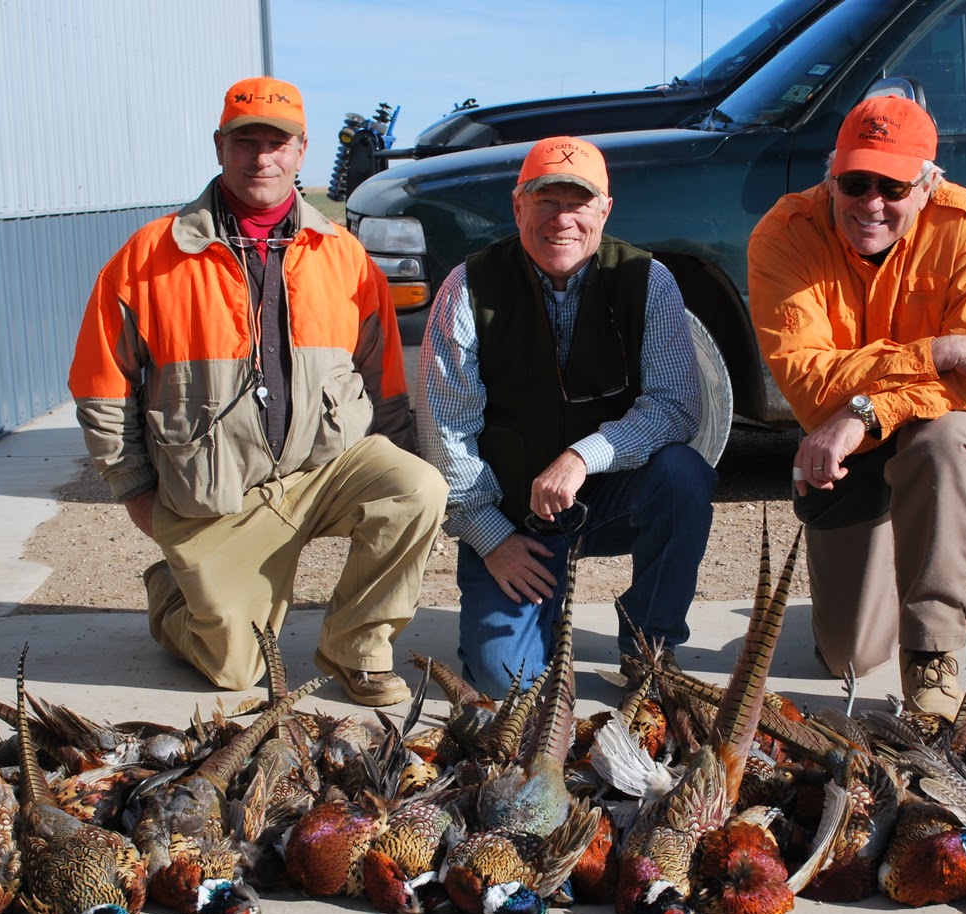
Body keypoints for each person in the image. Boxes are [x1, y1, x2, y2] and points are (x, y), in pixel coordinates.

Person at [68, 76, 447, 705]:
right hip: (216, 491)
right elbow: (103, 388)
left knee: (417, 487)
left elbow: (383, 385)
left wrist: (399, 456)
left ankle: (357, 650)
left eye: (278, 142)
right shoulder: (148, 258)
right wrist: (135, 489)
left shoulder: (344, 256)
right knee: (236, 672)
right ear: (220, 147)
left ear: (301, 151)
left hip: (325, 469)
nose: (261, 157)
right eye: (246, 142)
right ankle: (175, 592)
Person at [746, 94, 966, 734]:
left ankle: (932, 649)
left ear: (929, 184)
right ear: (830, 177)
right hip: (844, 431)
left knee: (941, 443)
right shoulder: (782, 236)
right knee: (846, 655)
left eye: (894, 186)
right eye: (855, 182)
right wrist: (941, 349)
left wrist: (867, 411)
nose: (871, 202)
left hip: (931, 416)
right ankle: (873, 585)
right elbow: (810, 384)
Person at [415, 136, 716, 697]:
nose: (563, 219)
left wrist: (584, 456)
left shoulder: (648, 280)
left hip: (605, 500)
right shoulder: (467, 287)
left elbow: (676, 407)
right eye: (546, 200)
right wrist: (491, 537)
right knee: (510, 684)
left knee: (684, 476)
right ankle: (528, 621)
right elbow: (445, 430)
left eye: (579, 203)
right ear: (518, 205)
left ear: (604, 209)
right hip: (511, 518)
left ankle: (649, 646)